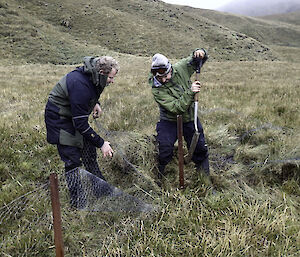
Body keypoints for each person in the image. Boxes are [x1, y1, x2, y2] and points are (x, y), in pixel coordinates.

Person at [45, 56, 119, 208]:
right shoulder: (80, 84)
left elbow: (91, 93)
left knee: (90, 154)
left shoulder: (95, 78)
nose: (112, 81)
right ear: (102, 72)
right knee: (72, 161)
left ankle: (102, 191)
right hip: (60, 120)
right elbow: (80, 123)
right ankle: (78, 203)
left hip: (73, 115)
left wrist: (95, 104)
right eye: (111, 77)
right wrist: (102, 143)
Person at [149, 49, 210, 181]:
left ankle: (204, 179)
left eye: (166, 75)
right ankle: (159, 179)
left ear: (171, 68)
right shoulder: (156, 89)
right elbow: (177, 108)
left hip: (189, 118)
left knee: (199, 148)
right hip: (169, 121)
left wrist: (199, 53)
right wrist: (190, 92)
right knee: (164, 150)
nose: (164, 80)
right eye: (160, 78)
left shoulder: (180, 68)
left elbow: (196, 61)